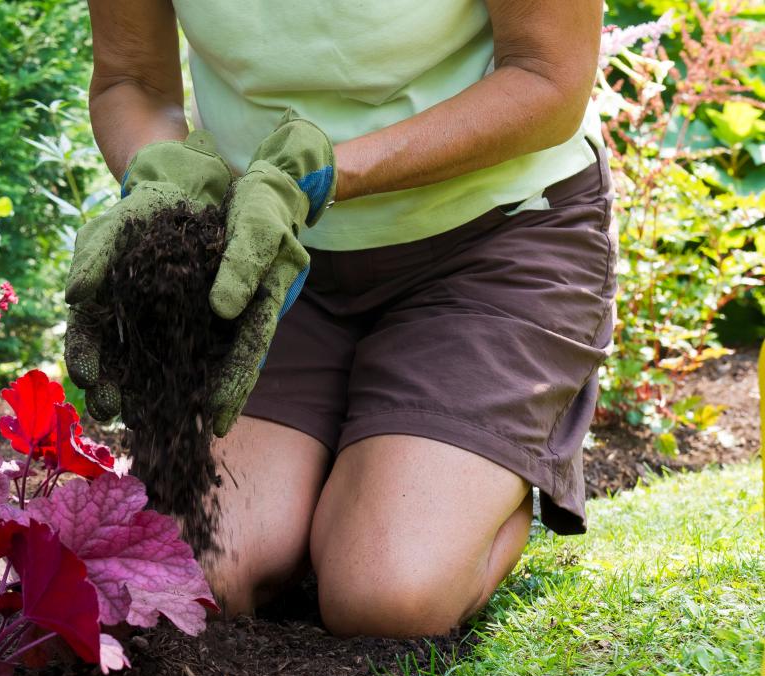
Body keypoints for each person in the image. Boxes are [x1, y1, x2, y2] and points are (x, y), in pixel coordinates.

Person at [64, 0, 614, 638]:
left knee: (385, 597)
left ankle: (479, 469)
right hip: (268, 256)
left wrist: (320, 174)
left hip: (491, 241)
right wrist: (161, 176)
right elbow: (131, 80)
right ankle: (353, 476)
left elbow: (550, 79)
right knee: (198, 573)